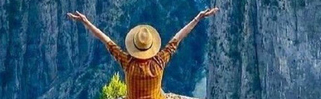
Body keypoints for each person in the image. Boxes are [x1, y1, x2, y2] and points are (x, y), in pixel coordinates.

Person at [67, 8, 219, 99]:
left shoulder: (128, 63)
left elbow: (107, 41)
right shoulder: (159, 61)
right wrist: (198, 18)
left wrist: (86, 22)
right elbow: (177, 39)